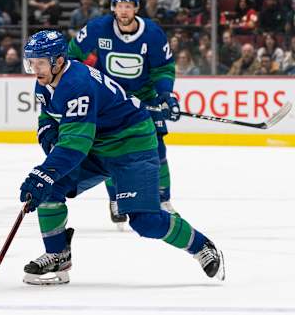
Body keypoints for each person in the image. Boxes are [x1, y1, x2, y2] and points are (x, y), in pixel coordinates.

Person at [19, 30, 225, 285]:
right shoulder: (46, 81)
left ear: (58, 60)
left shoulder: (76, 84)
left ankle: (200, 245)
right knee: (50, 189)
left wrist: (45, 171)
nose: (34, 68)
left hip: (131, 145)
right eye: (31, 62)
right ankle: (57, 254)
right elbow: (49, 115)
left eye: (40, 62)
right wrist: (48, 133)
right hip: (99, 144)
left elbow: (75, 145)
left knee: (146, 221)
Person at [67, 0, 180, 229]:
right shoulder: (98, 27)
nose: (124, 11)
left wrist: (166, 94)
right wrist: (81, 83)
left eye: (128, 6)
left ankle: (164, 199)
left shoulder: (153, 33)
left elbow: (163, 68)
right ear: (113, 8)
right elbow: (71, 56)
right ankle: (116, 197)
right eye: (119, 6)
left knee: (157, 149)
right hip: (111, 100)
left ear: (136, 8)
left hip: (145, 97)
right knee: (110, 149)